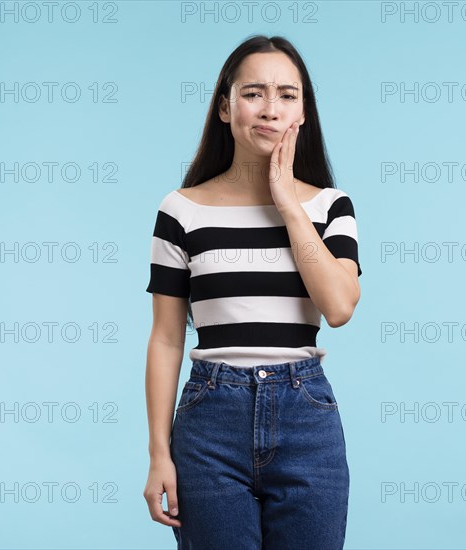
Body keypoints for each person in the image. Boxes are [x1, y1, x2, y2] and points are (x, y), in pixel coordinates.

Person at [143, 34, 362, 550]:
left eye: (287, 95)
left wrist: (286, 201)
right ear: (225, 107)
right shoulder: (181, 210)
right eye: (254, 93)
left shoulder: (330, 206)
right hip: (209, 422)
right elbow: (166, 338)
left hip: (306, 418)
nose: (270, 108)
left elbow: (338, 307)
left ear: (303, 113)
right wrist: (158, 454)